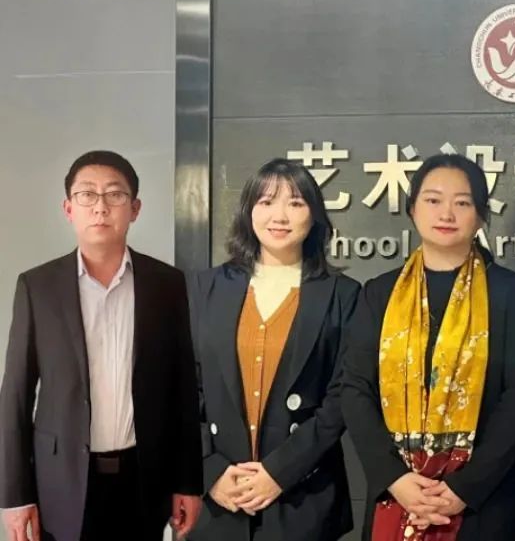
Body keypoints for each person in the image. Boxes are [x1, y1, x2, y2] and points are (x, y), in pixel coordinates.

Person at [0, 150, 202, 541]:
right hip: (61, 482)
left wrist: (188, 482)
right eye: (87, 195)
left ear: (135, 208)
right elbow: (15, 395)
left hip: (144, 478)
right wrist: (15, 495)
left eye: (115, 194)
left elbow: (183, 391)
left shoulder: (166, 284)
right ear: (68, 208)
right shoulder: (38, 287)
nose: (100, 207)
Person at [341, 153, 515, 541]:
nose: (446, 213)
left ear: (480, 216)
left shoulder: (511, 294)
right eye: (433, 200)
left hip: (484, 500)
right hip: (397, 493)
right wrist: (395, 478)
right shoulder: (379, 294)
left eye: (462, 203)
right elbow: (354, 389)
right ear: (412, 209)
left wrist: (463, 488)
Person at [187, 158, 359, 540]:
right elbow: (183, 389)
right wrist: (211, 471)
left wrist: (279, 472)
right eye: (266, 202)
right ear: (249, 210)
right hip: (220, 501)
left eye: (295, 203)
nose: (279, 216)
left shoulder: (342, 295)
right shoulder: (206, 288)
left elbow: (342, 396)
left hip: (303, 498)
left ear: (314, 215)